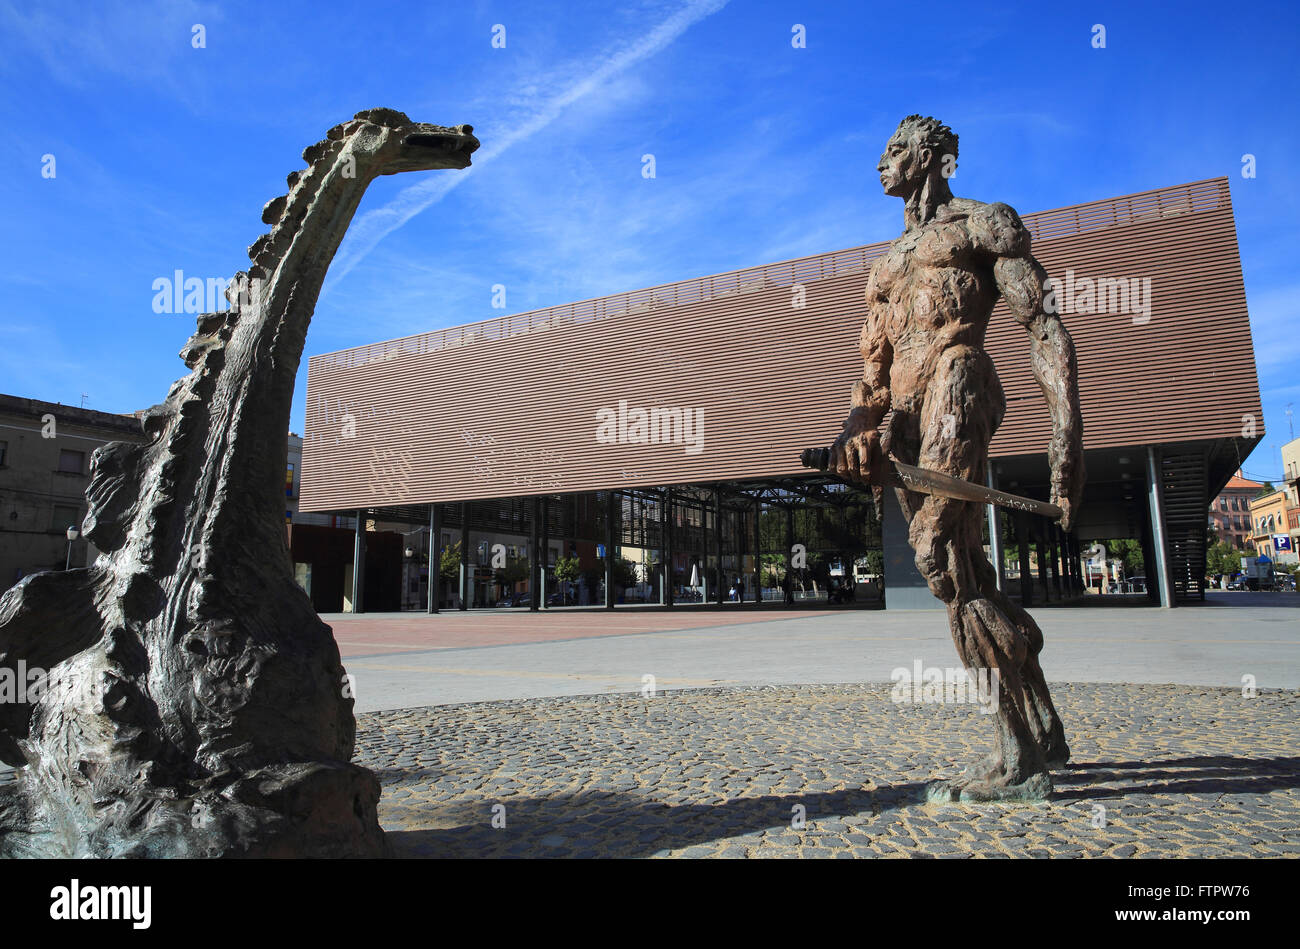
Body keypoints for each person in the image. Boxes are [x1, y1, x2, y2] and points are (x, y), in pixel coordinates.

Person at [829, 115, 1085, 802]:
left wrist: (1068, 432)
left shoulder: (983, 225)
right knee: (961, 574)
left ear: (933, 155)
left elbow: (1045, 324)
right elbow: (873, 381)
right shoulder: (883, 270)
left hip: (960, 387)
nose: (881, 162)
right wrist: (854, 431)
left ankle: (1021, 757)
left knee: (939, 557)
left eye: (894, 150)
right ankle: (1040, 717)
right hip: (907, 427)